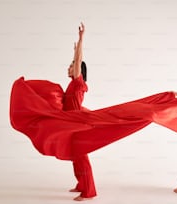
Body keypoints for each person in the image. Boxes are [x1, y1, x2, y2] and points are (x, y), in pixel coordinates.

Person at [62, 22, 97, 201]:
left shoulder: (78, 83)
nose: (68, 68)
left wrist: (81, 40)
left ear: (78, 70)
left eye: (72, 66)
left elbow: (78, 61)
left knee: (81, 156)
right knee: (75, 156)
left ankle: (89, 191)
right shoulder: (72, 84)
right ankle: (81, 184)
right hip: (71, 124)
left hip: (77, 124)